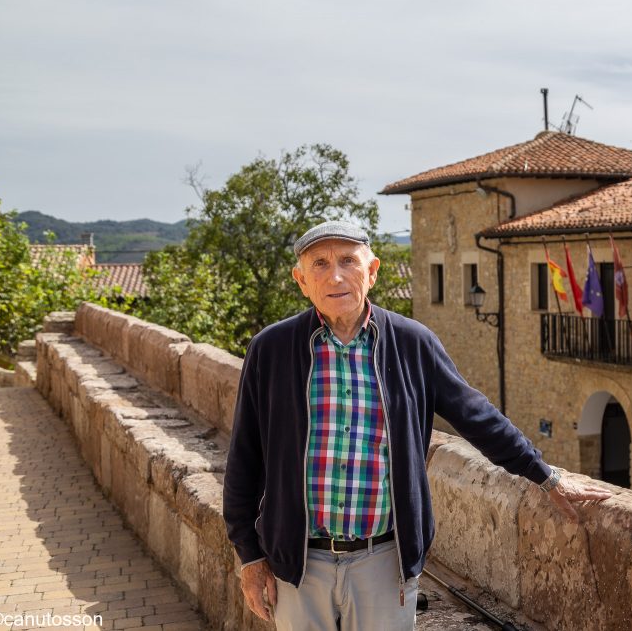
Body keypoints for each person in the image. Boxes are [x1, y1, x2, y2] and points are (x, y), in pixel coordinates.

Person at [223, 220, 611, 630]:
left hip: (384, 559)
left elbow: (475, 415)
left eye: (347, 261)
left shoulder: (413, 343)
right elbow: (244, 460)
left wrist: (544, 475)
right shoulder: (271, 348)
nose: (334, 275)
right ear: (301, 280)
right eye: (319, 264)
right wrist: (250, 557)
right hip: (297, 561)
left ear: (372, 271)